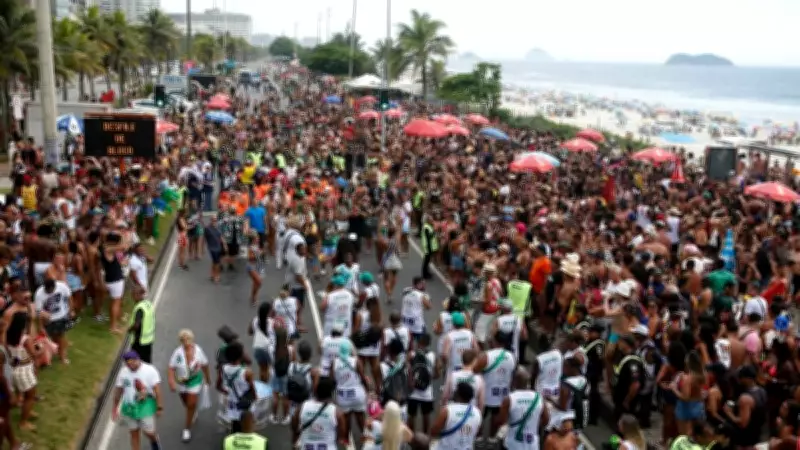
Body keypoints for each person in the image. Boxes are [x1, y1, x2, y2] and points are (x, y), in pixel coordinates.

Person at [112, 350, 163, 450]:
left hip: (145, 406)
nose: (130, 366)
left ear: (137, 360)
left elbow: (157, 390)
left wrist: (159, 406)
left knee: (149, 432)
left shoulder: (150, 370)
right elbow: (119, 391)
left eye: (132, 363)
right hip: (129, 407)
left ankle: (154, 440)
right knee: (134, 434)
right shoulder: (123, 373)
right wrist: (115, 407)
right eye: (127, 364)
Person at [167, 329, 211, 442]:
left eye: (188, 339)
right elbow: (171, 367)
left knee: (191, 404)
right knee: (186, 403)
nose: (186, 341)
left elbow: (205, 365)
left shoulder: (198, 351)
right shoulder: (177, 353)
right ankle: (192, 412)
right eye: (183, 339)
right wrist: (171, 381)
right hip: (182, 382)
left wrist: (207, 378)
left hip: (195, 381)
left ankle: (186, 429)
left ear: (192, 339)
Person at [292, 376, 347, 450]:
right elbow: (341, 436)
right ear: (331, 393)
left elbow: (294, 426)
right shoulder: (337, 412)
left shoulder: (302, 406)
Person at [480, 330, 516, 437]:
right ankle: (492, 439)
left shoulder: (487, 355)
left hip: (486, 395)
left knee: (479, 419)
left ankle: (479, 440)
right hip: (502, 394)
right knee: (496, 420)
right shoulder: (512, 357)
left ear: (494, 341)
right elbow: (513, 375)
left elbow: (475, 370)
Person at [430, 382, 482, 450]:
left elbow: (434, 431)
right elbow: (477, 433)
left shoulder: (447, 410)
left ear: (458, 394)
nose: (454, 392)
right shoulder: (477, 412)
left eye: (455, 390)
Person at [33, 277, 72, 364]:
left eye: (51, 290)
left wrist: (71, 310)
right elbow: (38, 312)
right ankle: (55, 352)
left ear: (54, 286)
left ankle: (63, 357)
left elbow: (69, 297)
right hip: (48, 319)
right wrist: (40, 326)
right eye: (47, 290)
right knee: (51, 339)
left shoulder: (62, 286)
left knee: (61, 336)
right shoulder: (39, 293)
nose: (49, 292)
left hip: (61, 316)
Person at [220, 341, 257, 433]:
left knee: (235, 423)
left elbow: (220, 385)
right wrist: (255, 396)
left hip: (232, 401)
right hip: (244, 402)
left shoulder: (223, 368)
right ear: (240, 356)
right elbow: (252, 387)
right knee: (247, 424)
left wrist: (226, 393)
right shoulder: (247, 372)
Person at [406, 332, 436, 433]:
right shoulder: (432, 356)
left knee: (411, 415)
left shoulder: (412, 355)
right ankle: (425, 435)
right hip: (426, 392)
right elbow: (434, 374)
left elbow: (406, 370)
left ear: (418, 342)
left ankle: (411, 436)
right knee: (426, 415)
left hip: (413, 392)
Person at [440, 311, 479, 376]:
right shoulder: (470, 334)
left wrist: (445, 364)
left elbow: (444, 355)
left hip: (453, 368)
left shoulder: (449, 336)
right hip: (467, 366)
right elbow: (477, 350)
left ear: (453, 323)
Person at [128, 287, 156, 364]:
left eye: (133, 295)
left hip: (139, 341)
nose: (132, 297)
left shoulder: (140, 308)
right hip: (149, 339)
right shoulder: (148, 304)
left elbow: (137, 325)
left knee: (134, 362)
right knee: (147, 362)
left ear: (138, 295)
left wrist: (130, 329)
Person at [400, 276, 431, 341]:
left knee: (407, 343)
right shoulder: (422, 295)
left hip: (405, 322)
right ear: (418, 284)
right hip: (417, 324)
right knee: (422, 342)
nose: (424, 286)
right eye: (423, 284)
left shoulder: (405, 290)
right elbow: (429, 306)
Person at [420, 214, 438, 280]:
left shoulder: (428, 226)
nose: (432, 220)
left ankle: (427, 272)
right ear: (428, 220)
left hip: (430, 246)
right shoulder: (426, 227)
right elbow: (428, 238)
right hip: (428, 247)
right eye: (431, 219)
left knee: (428, 261)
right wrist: (429, 248)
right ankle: (425, 274)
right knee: (426, 261)